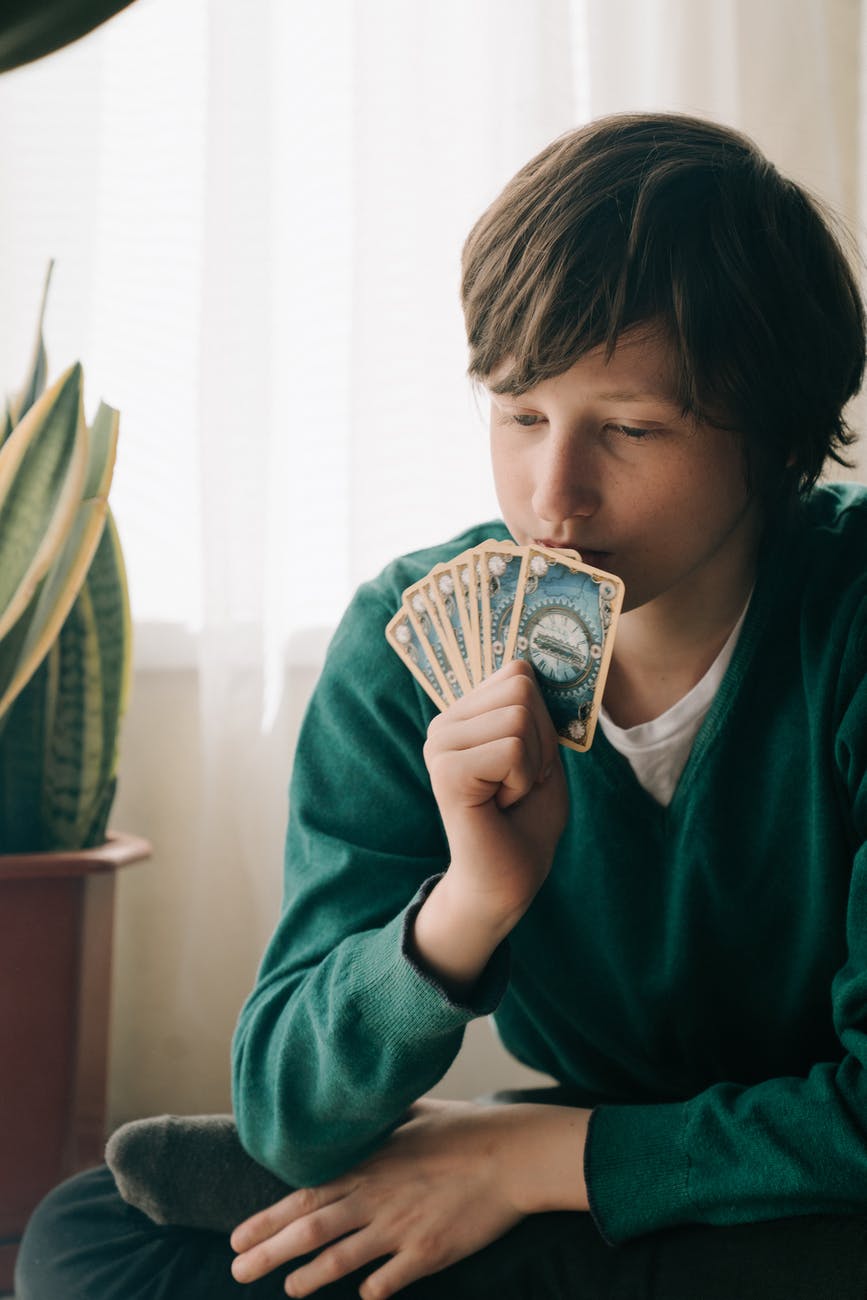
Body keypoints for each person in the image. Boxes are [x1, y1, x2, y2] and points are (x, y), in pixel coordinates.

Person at [15, 111, 867, 1300]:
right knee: (95, 1239)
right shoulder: (407, 641)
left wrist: (524, 1157)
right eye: (520, 413)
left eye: (627, 428)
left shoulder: (852, 628)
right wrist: (467, 905)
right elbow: (288, 1113)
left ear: (778, 445)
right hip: (590, 1177)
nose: (550, 493)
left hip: (806, 1181)